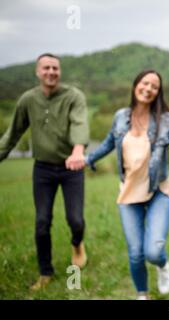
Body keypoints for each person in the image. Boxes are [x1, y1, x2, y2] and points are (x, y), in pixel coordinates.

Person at [84, 69, 169, 300]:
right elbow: (108, 143)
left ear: (158, 93)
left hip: (159, 192)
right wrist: (88, 159)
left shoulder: (166, 121)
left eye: (154, 86)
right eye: (145, 83)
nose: (148, 88)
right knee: (135, 253)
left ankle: (162, 265)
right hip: (129, 192)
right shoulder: (121, 117)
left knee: (152, 251)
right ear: (135, 86)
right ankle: (142, 294)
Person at [0, 53, 89, 290]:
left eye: (55, 68)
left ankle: (77, 243)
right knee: (42, 221)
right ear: (38, 72)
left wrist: (78, 151)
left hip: (72, 168)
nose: (51, 72)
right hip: (43, 169)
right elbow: (13, 134)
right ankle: (45, 272)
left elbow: (80, 123)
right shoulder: (27, 100)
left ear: (60, 72)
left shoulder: (73, 96)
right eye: (46, 68)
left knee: (76, 220)